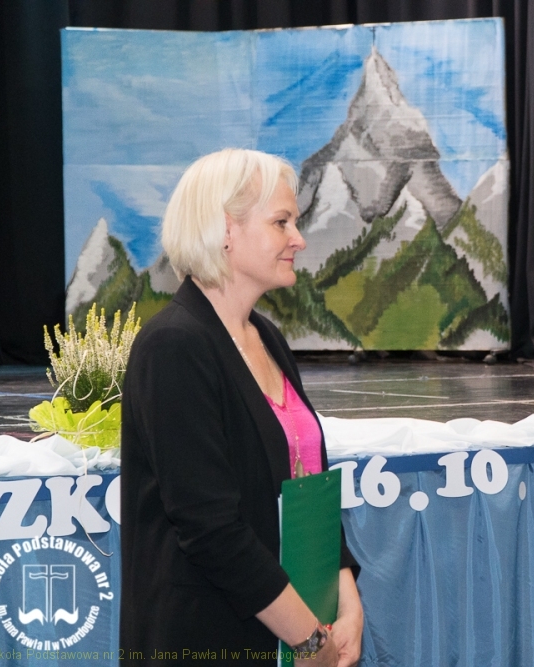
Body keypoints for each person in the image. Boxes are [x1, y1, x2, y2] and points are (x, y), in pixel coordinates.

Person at [121, 148, 363, 666]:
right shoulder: (173, 347)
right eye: (281, 222)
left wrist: (348, 604)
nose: (298, 239)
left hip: (290, 632)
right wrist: (310, 641)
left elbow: (308, 484)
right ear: (225, 229)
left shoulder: (267, 337)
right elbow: (211, 531)